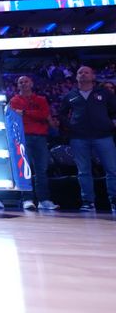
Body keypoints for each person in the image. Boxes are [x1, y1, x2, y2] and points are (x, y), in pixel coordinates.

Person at [58, 66, 116, 212]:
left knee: (112, 169)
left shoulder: (104, 93)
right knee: (83, 171)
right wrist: (70, 126)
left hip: (103, 136)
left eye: (86, 72)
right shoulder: (70, 95)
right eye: (80, 72)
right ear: (76, 77)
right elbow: (62, 114)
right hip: (79, 137)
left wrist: (112, 123)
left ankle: (114, 200)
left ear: (93, 76)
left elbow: (114, 109)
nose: (83, 74)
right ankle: (88, 201)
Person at [9, 75, 59, 210]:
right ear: (18, 86)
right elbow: (14, 116)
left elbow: (44, 115)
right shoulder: (14, 100)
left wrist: (24, 112)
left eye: (26, 81)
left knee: (41, 170)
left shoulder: (41, 100)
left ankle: (44, 200)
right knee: (25, 170)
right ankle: (27, 199)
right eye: (21, 82)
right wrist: (33, 113)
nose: (24, 84)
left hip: (40, 137)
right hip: (22, 138)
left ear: (31, 83)